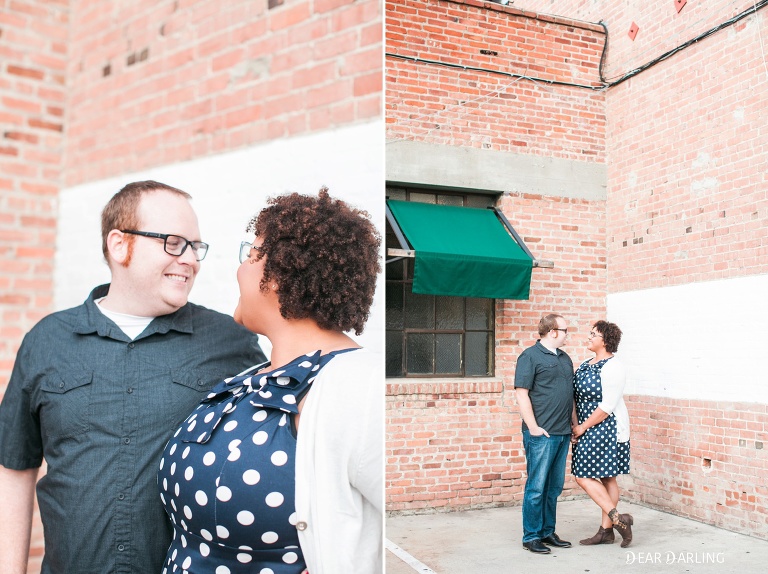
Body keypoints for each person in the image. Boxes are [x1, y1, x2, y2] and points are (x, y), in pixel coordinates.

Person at [0, 181, 265, 574]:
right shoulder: (47, 340)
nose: (190, 259)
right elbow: (15, 466)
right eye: (174, 243)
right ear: (119, 245)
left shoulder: (231, 342)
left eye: (195, 246)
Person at [157, 187, 383, 574]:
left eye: (252, 254)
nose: (240, 268)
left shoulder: (356, 388)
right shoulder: (250, 379)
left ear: (277, 275)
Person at [513, 313, 574, 554]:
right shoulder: (529, 356)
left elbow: (570, 395)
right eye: (565, 330)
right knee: (537, 487)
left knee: (554, 487)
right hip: (541, 435)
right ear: (552, 332)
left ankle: (548, 531)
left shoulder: (565, 358)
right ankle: (531, 536)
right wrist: (533, 428)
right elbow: (521, 393)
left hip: (562, 432)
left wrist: (574, 424)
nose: (568, 334)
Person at [571, 320, 633, 547]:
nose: (588, 337)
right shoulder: (586, 364)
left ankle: (613, 525)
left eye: (593, 334)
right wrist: (575, 425)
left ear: (605, 341)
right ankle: (614, 525)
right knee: (593, 475)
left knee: (598, 476)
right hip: (585, 427)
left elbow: (607, 406)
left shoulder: (614, 367)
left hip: (606, 427)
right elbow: (574, 398)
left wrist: (582, 427)